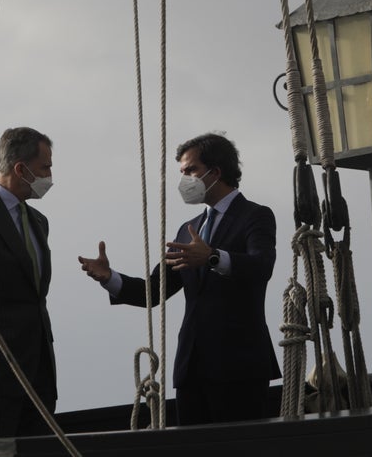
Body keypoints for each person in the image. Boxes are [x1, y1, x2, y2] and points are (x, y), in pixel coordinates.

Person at [78, 132, 281, 425]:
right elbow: (154, 290)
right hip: (192, 368)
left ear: (216, 172)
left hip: (239, 366)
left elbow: (262, 266)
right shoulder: (189, 229)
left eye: (190, 170)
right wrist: (110, 278)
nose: (184, 179)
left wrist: (212, 256)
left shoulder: (255, 216)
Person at [0, 126, 57, 437]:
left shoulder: (39, 222)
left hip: (39, 378)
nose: (50, 174)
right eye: (45, 166)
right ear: (21, 168)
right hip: (0, 378)